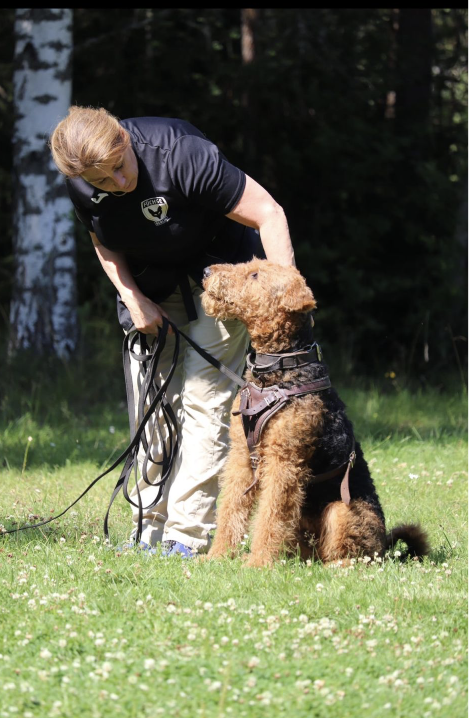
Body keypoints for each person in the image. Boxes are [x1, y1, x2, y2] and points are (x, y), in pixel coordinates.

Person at [50, 106, 295, 558]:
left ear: (124, 139)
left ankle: (185, 535)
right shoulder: (81, 181)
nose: (118, 184)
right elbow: (102, 241)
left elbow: (269, 213)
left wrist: (283, 295)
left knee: (206, 401)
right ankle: (147, 529)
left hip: (220, 278)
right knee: (152, 408)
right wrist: (133, 300)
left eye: (120, 168)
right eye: (103, 181)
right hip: (151, 287)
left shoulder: (181, 154)